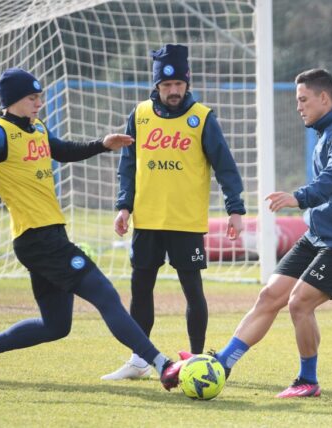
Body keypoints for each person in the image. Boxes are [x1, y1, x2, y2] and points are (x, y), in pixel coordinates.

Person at [0, 68, 182, 390]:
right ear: (12, 101)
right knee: (105, 294)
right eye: (32, 98)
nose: (39, 103)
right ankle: (162, 364)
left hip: (49, 237)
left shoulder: (36, 127)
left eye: (40, 97)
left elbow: (62, 150)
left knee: (56, 326)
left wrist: (102, 145)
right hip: (36, 239)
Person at [182, 68, 332, 397]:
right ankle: (222, 362)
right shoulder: (329, 133)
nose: (298, 106)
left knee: (299, 303)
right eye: (297, 100)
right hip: (320, 232)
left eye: (303, 99)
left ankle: (308, 380)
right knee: (270, 296)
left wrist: (299, 197)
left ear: (324, 98)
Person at [101, 44, 246, 381]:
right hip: (147, 220)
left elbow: (226, 167)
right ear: (156, 86)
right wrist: (124, 206)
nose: (173, 91)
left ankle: (197, 359)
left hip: (185, 222)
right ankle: (140, 359)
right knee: (140, 289)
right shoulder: (139, 115)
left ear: (187, 81)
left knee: (192, 291)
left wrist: (235, 209)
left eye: (178, 84)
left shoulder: (204, 118)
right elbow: (128, 165)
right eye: (166, 86)